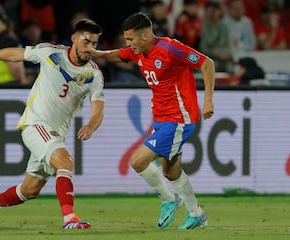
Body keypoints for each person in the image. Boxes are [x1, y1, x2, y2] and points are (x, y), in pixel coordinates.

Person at [0, 19, 105, 229]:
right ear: (74, 39)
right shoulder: (50, 52)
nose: (90, 48)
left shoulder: (94, 75)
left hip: (56, 133)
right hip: (35, 123)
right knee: (65, 163)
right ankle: (70, 218)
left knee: (29, 190)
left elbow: (98, 110)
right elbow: (16, 55)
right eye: (86, 42)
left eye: (94, 44)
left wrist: (91, 126)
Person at [88, 12, 215, 230]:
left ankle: (168, 200)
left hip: (179, 119)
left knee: (138, 161)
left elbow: (207, 63)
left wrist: (208, 101)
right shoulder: (139, 52)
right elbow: (119, 54)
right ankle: (196, 213)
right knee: (170, 172)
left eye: (130, 39)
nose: (128, 43)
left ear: (145, 36)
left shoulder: (171, 48)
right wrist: (96, 53)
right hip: (161, 119)